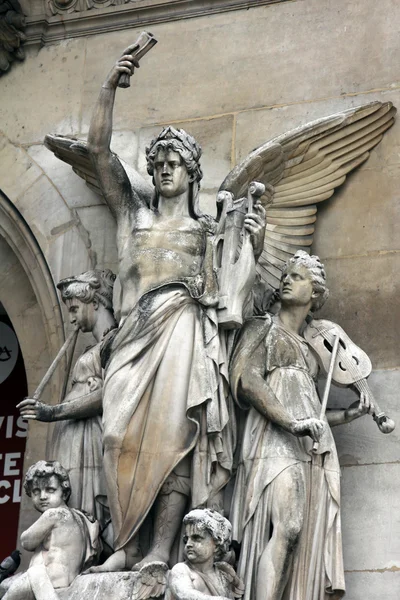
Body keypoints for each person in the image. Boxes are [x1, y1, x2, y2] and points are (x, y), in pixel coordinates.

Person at [84, 45, 266, 572]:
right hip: (133, 338)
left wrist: (251, 241)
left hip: (183, 329)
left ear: (192, 173)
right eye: (157, 163)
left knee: (177, 438)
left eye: (174, 163)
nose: (164, 169)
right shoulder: (131, 216)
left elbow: (235, 294)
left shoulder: (206, 230)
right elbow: (98, 153)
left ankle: (159, 550)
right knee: (117, 438)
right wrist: (108, 88)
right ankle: (124, 544)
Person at [229, 251, 374, 600]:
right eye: (286, 274)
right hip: (272, 438)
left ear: (316, 293)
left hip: (310, 447)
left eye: (297, 276)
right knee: (289, 526)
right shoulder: (262, 327)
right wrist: (292, 423)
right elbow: (248, 380)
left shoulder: (312, 353)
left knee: (300, 534)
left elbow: (314, 413)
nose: (287, 280)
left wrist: (346, 416)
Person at [18, 270, 117, 532]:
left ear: (94, 302)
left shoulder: (113, 342)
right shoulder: (92, 348)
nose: (71, 317)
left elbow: (108, 396)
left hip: (89, 440)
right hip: (74, 440)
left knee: (86, 513)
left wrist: (52, 412)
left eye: (74, 308)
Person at [0, 461, 100, 600]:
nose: (42, 496)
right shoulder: (80, 518)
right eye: (36, 491)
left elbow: (26, 541)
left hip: (47, 578)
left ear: (64, 493)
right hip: (63, 578)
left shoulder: (54, 514)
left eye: (50, 490)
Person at [167, 509, 244, 600]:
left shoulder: (222, 574)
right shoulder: (181, 569)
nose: (188, 544)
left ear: (216, 544)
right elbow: (184, 594)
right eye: (186, 539)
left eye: (196, 538)